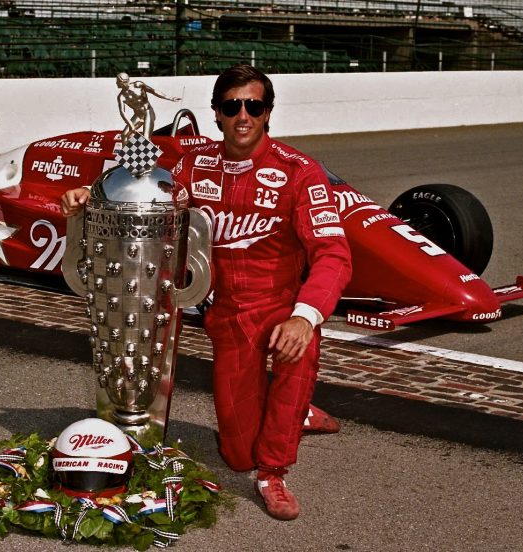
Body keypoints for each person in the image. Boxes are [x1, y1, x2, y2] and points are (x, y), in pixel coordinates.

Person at [62, 65, 352, 520]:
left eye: (253, 106)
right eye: (231, 106)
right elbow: (147, 192)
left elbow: (334, 254)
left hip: (282, 307)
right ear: (216, 113)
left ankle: (273, 472)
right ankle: (296, 414)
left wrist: (306, 315)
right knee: (236, 453)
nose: (242, 116)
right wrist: (88, 194)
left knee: (296, 358)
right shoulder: (195, 166)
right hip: (229, 314)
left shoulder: (299, 171)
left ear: (267, 112)